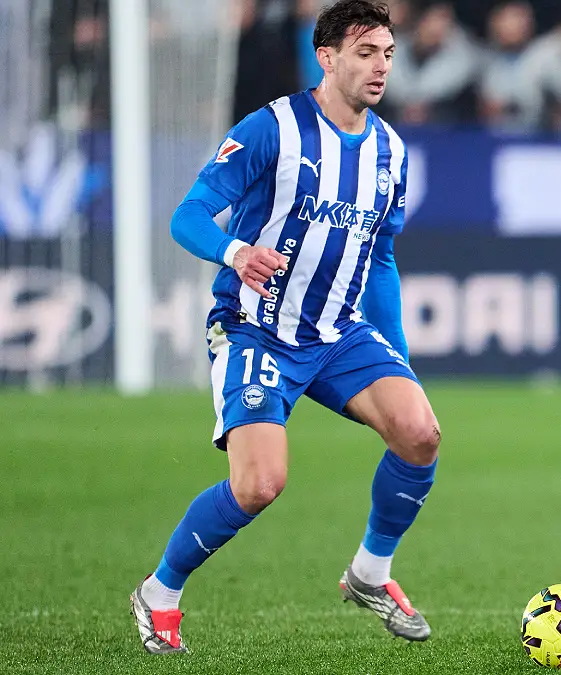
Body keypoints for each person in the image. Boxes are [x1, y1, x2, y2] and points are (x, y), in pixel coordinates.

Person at [130, 0, 440, 654]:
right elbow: (187, 216)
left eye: (387, 53)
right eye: (365, 53)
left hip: (337, 333)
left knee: (419, 433)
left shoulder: (390, 151)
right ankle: (160, 590)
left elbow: (379, 257)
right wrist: (236, 254)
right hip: (254, 328)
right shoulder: (272, 129)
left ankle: (369, 574)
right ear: (325, 57)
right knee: (260, 483)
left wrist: (399, 357)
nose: (380, 66)